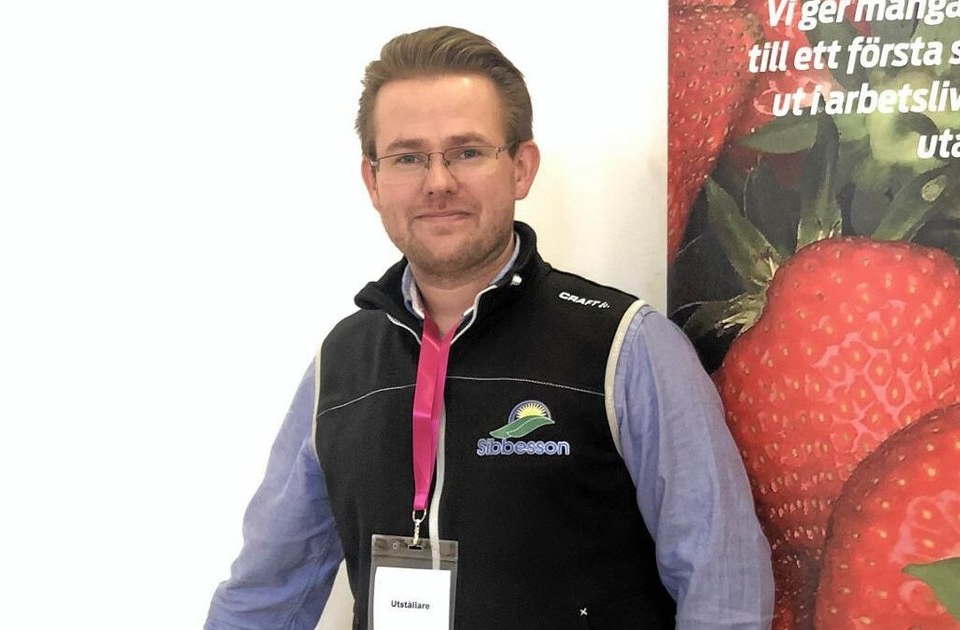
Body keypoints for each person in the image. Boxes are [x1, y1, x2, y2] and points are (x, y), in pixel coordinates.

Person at [205, 25, 773, 630]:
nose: (438, 181)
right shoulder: (340, 365)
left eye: (468, 152)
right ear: (373, 181)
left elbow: (724, 593)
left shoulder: (628, 348)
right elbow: (264, 594)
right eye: (408, 157)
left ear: (521, 168)